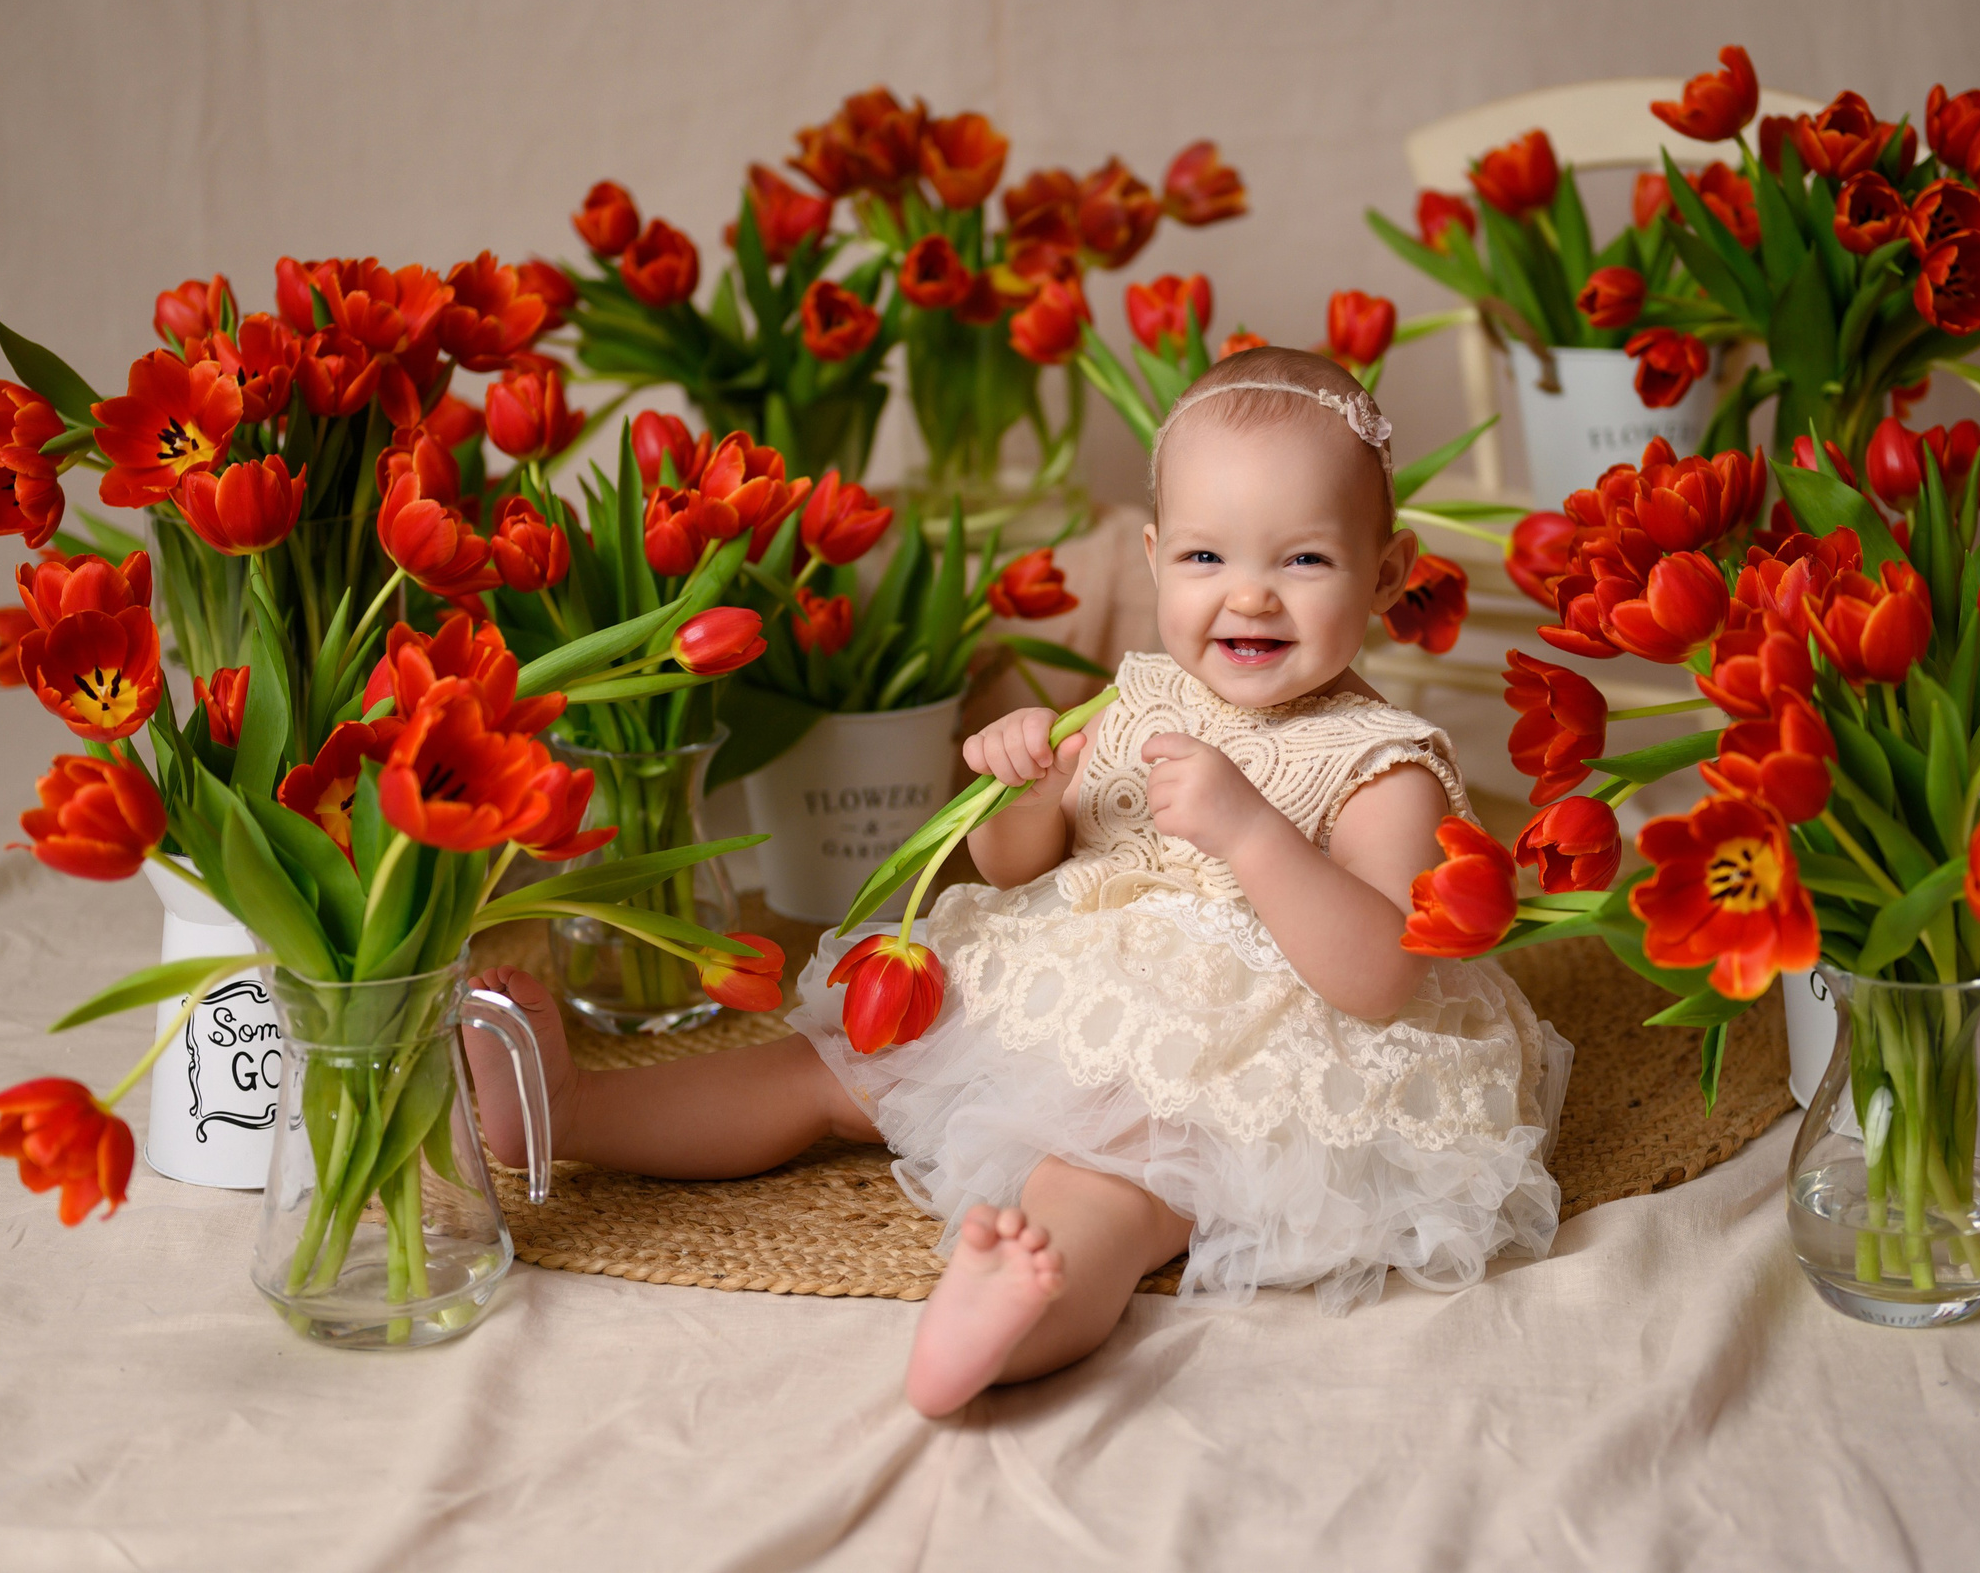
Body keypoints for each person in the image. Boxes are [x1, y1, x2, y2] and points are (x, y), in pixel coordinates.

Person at [469, 346, 1569, 1418]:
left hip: (1235, 1056)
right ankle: (569, 1110)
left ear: (1385, 571)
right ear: (1150, 557)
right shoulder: (1135, 698)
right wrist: (1027, 793)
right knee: (831, 1067)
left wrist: (1253, 835)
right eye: (1205, 559)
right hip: (1066, 991)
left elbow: (1380, 971)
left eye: (1303, 561)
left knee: (1098, 1190)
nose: (1251, 598)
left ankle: (1010, 1316)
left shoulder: (1380, 761)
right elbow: (1016, 870)